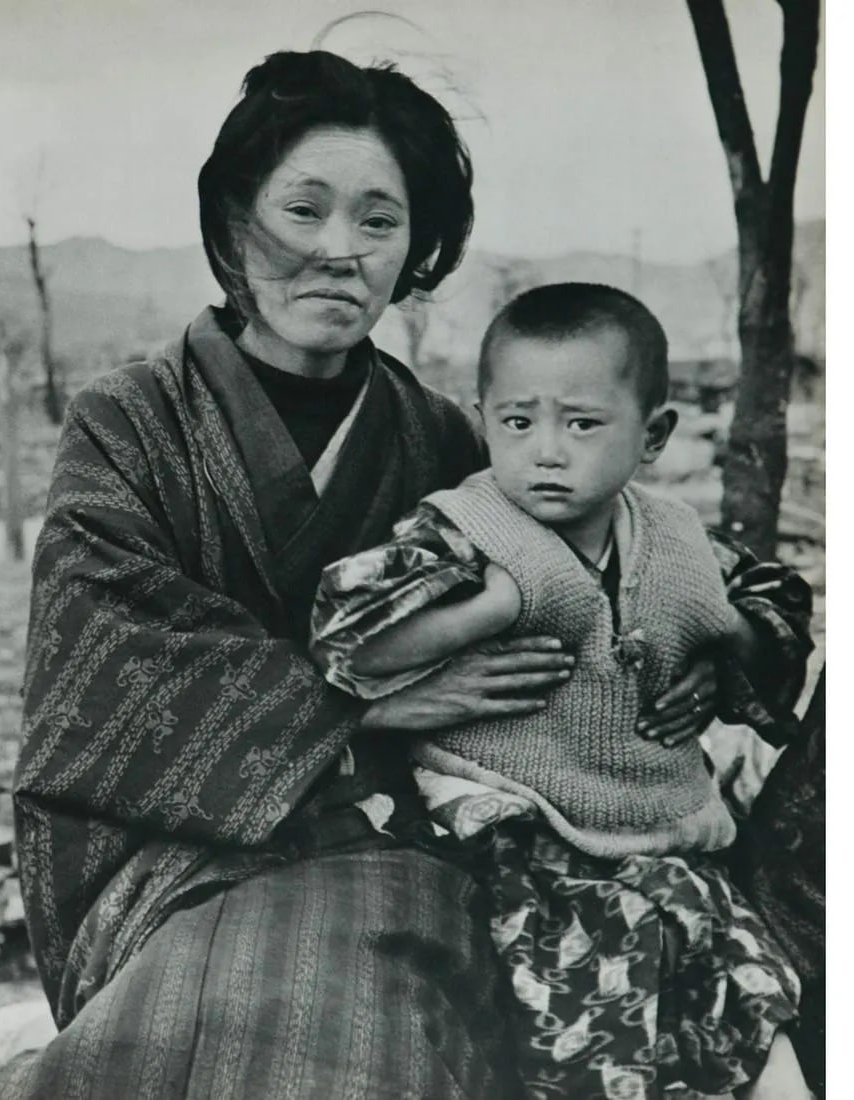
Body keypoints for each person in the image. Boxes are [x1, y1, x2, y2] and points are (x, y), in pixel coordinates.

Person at [0, 51, 811, 1100]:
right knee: (276, 988)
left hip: (395, 841)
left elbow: (647, 566)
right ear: (235, 220)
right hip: (167, 847)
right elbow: (104, 675)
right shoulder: (130, 424)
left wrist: (701, 648)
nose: (337, 249)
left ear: (415, 247)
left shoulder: (440, 439)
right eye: (302, 208)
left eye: (378, 220)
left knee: (390, 995)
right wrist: (369, 699)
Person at [311, 283, 813, 1099]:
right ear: (484, 421)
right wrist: (490, 607)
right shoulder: (464, 530)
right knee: (598, 1002)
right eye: (517, 422)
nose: (546, 450)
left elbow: (773, 605)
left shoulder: (678, 537)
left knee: (746, 990)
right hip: (514, 834)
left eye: (581, 424)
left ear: (653, 436)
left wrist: (724, 652)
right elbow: (347, 641)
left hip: (660, 831)